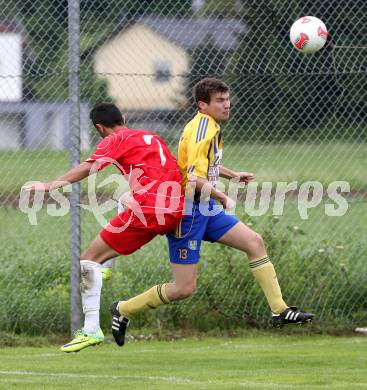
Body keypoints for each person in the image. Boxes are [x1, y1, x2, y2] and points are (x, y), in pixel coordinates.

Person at [110, 78, 314, 347]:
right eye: (219, 100)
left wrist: (231, 174)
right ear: (202, 105)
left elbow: (198, 166)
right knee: (184, 288)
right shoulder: (201, 130)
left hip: (204, 207)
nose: (226, 104)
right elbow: (193, 181)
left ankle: (280, 310)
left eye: (227, 99)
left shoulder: (209, 126)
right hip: (187, 211)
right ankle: (123, 309)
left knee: (254, 242)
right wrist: (222, 195)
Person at [23, 103, 184, 352]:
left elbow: (90, 167)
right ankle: (107, 267)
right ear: (123, 118)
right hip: (175, 208)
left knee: (87, 260)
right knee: (123, 199)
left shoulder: (115, 138)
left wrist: (50, 185)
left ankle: (90, 330)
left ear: (99, 127)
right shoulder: (151, 137)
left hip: (150, 209)